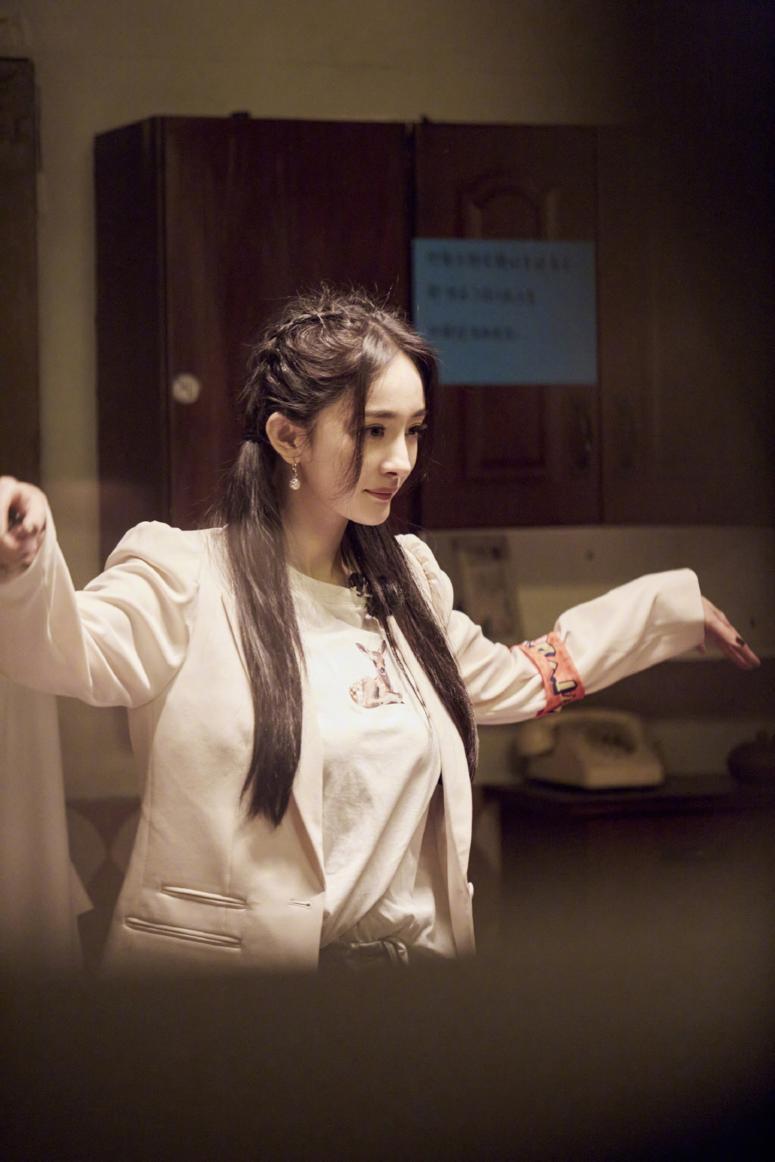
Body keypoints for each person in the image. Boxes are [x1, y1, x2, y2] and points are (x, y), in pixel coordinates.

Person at [0, 288, 760, 974]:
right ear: (288, 438)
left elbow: (512, 679)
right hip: (228, 1009)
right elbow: (66, 652)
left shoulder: (408, 584)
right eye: (372, 430)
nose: (399, 461)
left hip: (401, 996)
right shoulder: (184, 575)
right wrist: (23, 561)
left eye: (414, 431)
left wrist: (665, 612)